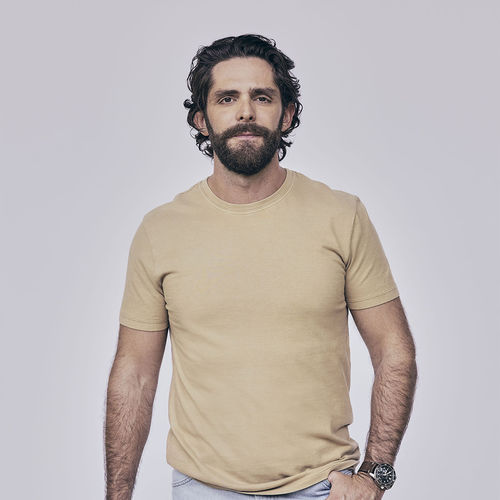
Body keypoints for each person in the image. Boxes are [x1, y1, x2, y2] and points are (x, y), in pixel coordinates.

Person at [104, 34, 418, 500]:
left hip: (321, 487)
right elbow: (134, 375)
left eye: (263, 97)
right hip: (202, 488)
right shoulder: (160, 230)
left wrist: (375, 475)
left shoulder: (342, 215)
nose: (245, 112)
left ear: (286, 115)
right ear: (201, 118)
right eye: (227, 98)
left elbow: (394, 350)